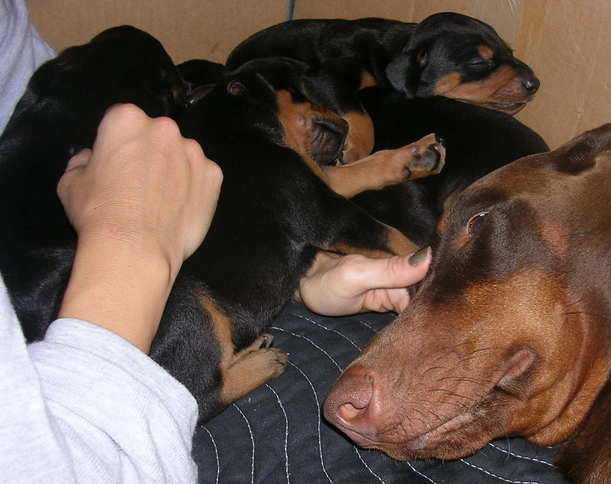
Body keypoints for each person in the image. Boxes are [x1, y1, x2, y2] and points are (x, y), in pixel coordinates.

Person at [0, 102, 430, 483]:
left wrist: (310, 277)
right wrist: (130, 240)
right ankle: (216, 387)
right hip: (153, 384)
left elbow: (297, 212)